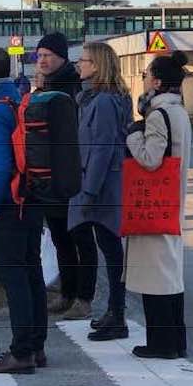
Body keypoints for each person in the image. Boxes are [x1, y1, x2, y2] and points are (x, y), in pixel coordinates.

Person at [0, 46, 47, 375]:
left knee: (14, 278)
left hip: (8, 203)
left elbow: (1, 168)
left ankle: (20, 353)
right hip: (31, 198)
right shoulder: (19, 99)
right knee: (32, 273)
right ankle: (36, 347)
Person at [124, 51, 192, 359]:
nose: (144, 80)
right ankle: (176, 341)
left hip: (154, 204)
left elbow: (151, 159)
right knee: (170, 276)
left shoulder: (157, 115)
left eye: (146, 75)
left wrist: (132, 138)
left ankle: (160, 344)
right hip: (173, 203)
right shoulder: (179, 111)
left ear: (157, 81)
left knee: (155, 277)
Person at [68, 42, 132, 341]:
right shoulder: (95, 98)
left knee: (111, 251)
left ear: (96, 66)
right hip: (98, 185)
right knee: (109, 250)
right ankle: (113, 312)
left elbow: (103, 149)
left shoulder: (104, 102)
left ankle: (117, 315)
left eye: (83, 60)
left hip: (102, 188)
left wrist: (89, 191)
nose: (78, 64)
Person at [33, 33, 97, 321]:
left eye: (48, 55)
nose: (43, 60)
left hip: (72, 173)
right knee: (60, 237)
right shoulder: (46, 85)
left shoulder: (73, 85)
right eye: (40, 55)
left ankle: (84, 298)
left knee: (81, 238)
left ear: (62, 57)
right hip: (51, 175)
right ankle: (67, 294)